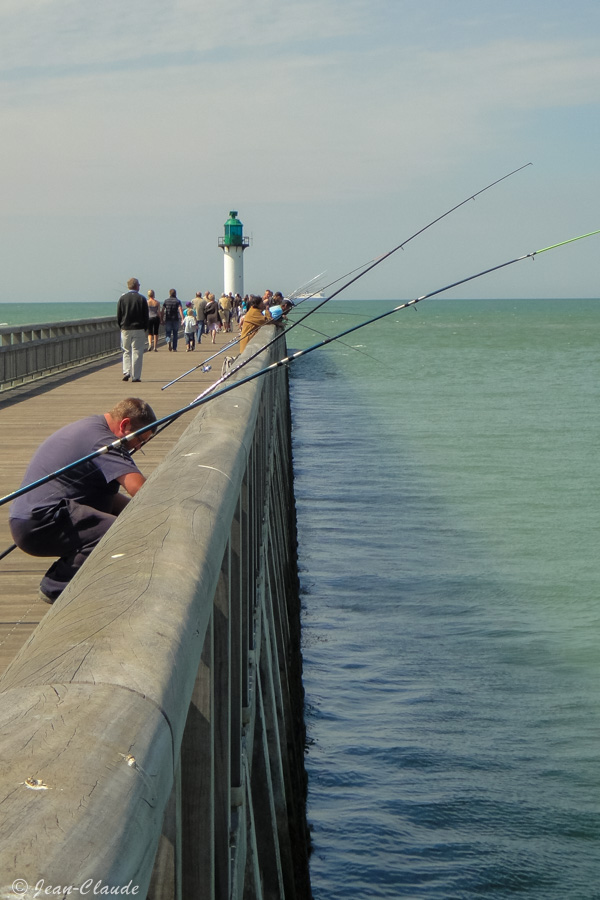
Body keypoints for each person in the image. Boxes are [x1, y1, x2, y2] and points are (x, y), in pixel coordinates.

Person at [9, 398, 157, 604]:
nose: (138, 446)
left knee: (120, 520)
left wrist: (140, 519)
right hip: (39, 521)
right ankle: (56, 586)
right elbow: (141, 489)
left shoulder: (92, 427)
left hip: (29, 518)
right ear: (124, 425)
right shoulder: (103, 442)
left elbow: (110, 498)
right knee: (115, 533)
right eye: (140, 440)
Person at [117, 277, 149, 382]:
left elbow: (119, 314)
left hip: (125, 327)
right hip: (139, 328)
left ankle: (126, 371)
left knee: (126, 350)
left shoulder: (122, 298)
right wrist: (145, 327)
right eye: (139, 285)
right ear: (136, 286)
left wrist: (121, 325)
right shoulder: (142, 299)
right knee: (137, 351)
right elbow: (146, 315)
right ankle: (136, 376)